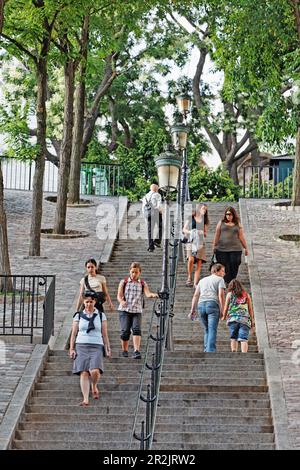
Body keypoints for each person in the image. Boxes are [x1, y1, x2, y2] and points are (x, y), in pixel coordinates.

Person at [69, 291, 111, 406]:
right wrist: (71, 348)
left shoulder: (101, 315)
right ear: (84, 302)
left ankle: (94, 385)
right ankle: (85, 399)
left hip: (96, 345)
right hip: (81, 345)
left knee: (95, 371)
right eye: (86, 302)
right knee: (83, 372)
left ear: (95, 302)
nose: (88, 304)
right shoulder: (78, 315)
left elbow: (105, 333)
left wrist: (107, 347)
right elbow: (74, 333)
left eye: (91, 302)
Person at [117, 262, 158, 359]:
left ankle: (136, 351)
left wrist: (153, 295)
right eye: (132, 272)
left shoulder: (142, 283)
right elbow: (119, 295)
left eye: (136, 272)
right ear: (129, 272)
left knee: (136, 329)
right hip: (125, 310)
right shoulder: (124, 282)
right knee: (125, 331)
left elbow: (147, 294)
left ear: (139, 273)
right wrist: (121, 301)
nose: (134, 274)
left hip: (137, 310)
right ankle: (125, 350)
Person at [189, 263, 226, 352]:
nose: (224, 273)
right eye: (222, 271)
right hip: (213, 304)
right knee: (212, 329)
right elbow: (221, 295)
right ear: (216, 271)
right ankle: (210, 350)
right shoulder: (220, 279)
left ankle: (206, 349)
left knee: (207, 329)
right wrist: (223, 309)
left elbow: (196, 295)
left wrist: (192, 310)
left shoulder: (202, 280)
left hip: (201, 305)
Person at [212, 206, 248, 285]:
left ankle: (232, 280)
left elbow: (241, 236)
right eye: (227, 214)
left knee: (235, 262)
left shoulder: (237, 223)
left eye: (231, 214)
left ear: (234, 215)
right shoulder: (221, 222)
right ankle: (228, 281)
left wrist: (246, 247)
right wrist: (214, 246)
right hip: (221, 249)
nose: (229, 216)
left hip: (235, 249)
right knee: (224, 265)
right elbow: (217, 235)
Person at [222, 279, 255, 353]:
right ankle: (244, 354)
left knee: (233, 337)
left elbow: (226, 307)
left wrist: (224, 316)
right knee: (243, 338)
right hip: (245, 320)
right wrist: (252, 321)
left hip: (233, 319)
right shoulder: (246, 295)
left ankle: (234, 352)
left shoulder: (229, 294)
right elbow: (250, 309)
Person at [183, 204, 209, 288]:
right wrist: (191, 232)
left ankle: (195, 283)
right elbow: (184, 229)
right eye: (203, 209)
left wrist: (202, 232)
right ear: (198, 209)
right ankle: (189, 277)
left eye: (205, 210)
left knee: (199, 262)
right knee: (191, 259)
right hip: (191, 241)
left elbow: (205, 233)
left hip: (200, 242)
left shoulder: (204, 220)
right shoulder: (191, 217)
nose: (204, 211)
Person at [142, 183, 162, 252]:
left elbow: (143, 207)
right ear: (156, 188)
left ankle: (151, 247)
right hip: (156, 213)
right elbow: (158, 206)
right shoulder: (157, 195)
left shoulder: (145, 196)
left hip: (148, 214)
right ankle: (157, 241)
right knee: (161, 226)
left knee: (150, 230)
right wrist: (161, 211)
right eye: (158, 188)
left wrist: (145, 216)